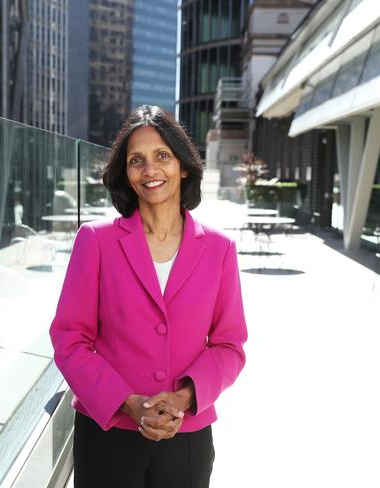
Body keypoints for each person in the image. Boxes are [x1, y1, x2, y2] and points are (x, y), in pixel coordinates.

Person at [49, 105, 247, 487]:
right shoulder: (96, 241)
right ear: (126, 173)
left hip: (186, 436)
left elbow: (229, 346)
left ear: (183, 166)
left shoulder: (220, 249)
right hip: (107, 435)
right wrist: (127, 401)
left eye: (162, 156)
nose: (150, 170)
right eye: (136, 160)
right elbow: (69, 339)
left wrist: (183, 398)